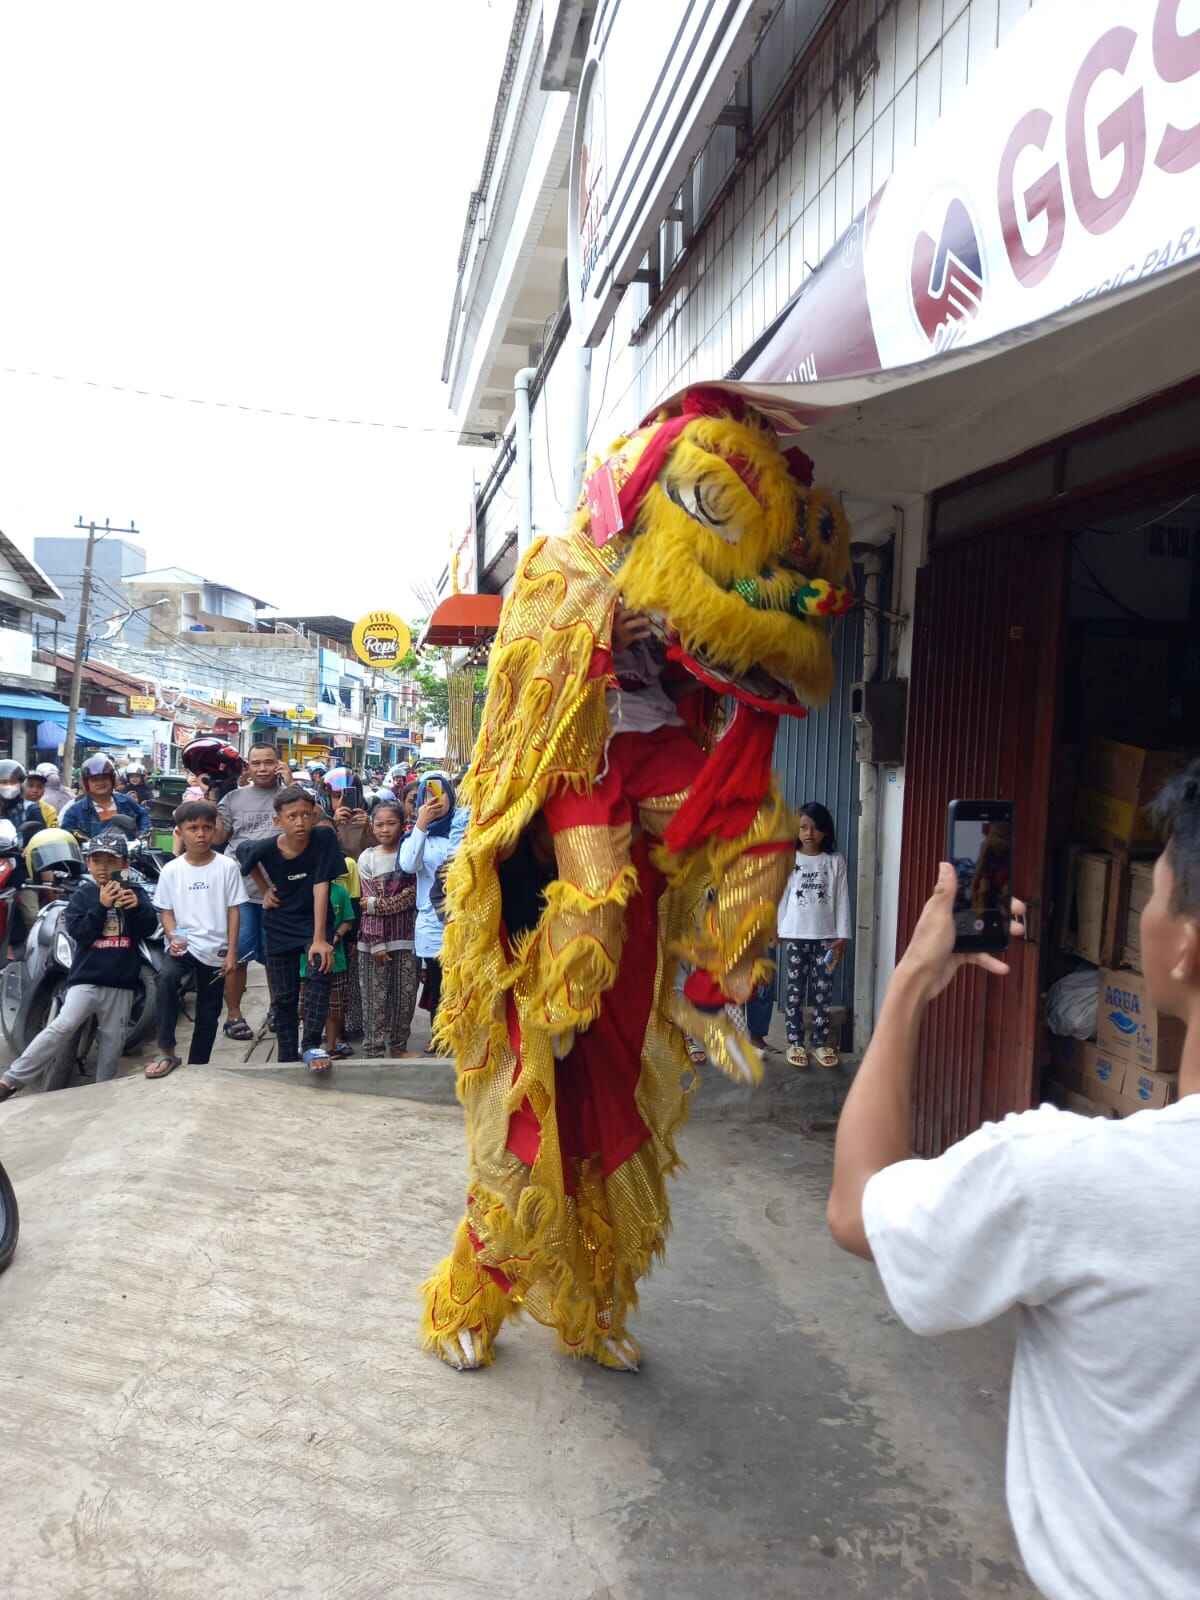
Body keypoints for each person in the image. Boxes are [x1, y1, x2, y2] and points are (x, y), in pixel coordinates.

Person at [827, 761, 1200, 1600]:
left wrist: (911, 985)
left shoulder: (1065, 1177)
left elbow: (858, 1207)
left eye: (1155, 887)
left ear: (1183, 945)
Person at [0, 829, 157, 1101]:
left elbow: (147, 930)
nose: (104, 868)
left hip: (121, 982)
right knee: (62, 1026)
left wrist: (136, 909)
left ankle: (100, 1095)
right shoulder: (83, 896)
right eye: (97, 861)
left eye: (111, 861)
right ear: (88, 864)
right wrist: (101, 905)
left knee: (112, 1042)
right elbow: (81, 933)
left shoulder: (136, 893)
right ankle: (11, 1080)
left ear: (124, 865)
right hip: (86, 979)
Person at [236, 785, 339, 1071]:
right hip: (280, 924)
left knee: (320, 973)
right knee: (283, 996)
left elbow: (321, 885)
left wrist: (319, 939)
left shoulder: (323, 838)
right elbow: (244, 853)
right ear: (277, 821)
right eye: (292, 816)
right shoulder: (267, 847)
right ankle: (286, 1056)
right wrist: (264, 889)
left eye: (306, 815)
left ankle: (311, 1045)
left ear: (315, 815)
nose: (300, 822)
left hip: (314, 921)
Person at [147, 800, 246, 1079]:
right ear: (180, 832)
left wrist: (231, 953)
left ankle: (198, 1064)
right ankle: (166, 1049)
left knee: (210, 1008)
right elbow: (165, 910)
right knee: (166, 978)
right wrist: (173, 935)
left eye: (207, 827)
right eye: (193, 828)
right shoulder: (171, 870)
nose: (201, 834)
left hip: (216, 943)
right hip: (185, 938)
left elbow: (234, 910)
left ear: (214, 830)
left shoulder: (227, 867)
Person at [215, 742, 283, 1040]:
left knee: (276, 956)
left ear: (278, 764)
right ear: (249, 766)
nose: (263, 768)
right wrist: (211, 800)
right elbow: (218, 836)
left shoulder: (289, 797)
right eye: (257, 763)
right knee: (238, 953)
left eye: (269, 762)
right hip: (240, 892)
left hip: (279, 890)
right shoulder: (232, 798)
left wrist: (291, 784)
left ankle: (278, 1009)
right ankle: (233, 1015)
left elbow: (313, 822)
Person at [777, 801, 851, 1069]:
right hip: (795, 934)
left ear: (825, 831)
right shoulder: (788, 859)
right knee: (795, 991)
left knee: (823, 991)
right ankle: (795, 1042)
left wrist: (842, 936)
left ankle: (820, 1043)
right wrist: (779, 930)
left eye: (815, 828)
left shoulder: (835, 861)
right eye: (803, 827)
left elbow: (842, 899)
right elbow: (782, 896)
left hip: (827, 937)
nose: (809, 833)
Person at [357, 798, 418, 1057]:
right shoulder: (367, 857)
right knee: (375, 999)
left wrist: (376, 904)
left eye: (391, 823)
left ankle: (398, 1047)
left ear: (402, 826)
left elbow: (413, 896)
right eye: (379, 824)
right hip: (374, 942)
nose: (384, 830)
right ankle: (373, 1050)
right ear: (371, 827)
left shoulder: (411, 856)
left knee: (404, 998)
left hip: (406, 938)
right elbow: (365, 901)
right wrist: (376, 942)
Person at [398, 771, 456, 1022]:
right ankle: (439, 1035)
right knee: (436, 980)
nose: (436, 800)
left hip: (462, 920)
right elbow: (409, 865)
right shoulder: (416, 837)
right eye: (429, 794)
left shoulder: (463, 830)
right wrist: (421, 824)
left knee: (460, 981)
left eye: (441, 793)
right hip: (432, 922)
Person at [302, 874, 355, 1059]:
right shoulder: (302, 890)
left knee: (335, 1008)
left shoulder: (340, 891)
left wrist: (337, 935)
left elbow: (348, 920)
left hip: (336, 960)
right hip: (307, 961)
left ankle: (331, 1046)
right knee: (308, 1007)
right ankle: (309, 1046)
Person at [60, 754, 151, 839]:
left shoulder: (126, 801)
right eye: (94, 780)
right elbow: (67, 835)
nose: (100, 783)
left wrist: (142, 834)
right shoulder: (75, 811)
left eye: (104, 778)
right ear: (86, 783)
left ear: (112, 780)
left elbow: (143, 814)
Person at [0, 760, 54, 831]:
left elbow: (40, 837)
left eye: (14, 782)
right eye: (4, 782)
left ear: (22, 784)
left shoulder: (31, 808)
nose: (9, 786)